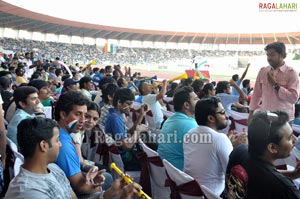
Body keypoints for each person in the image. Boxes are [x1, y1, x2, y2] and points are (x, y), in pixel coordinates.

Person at [183, 97, 246, 196]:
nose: (226, 116)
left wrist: (229, 144)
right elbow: (234, 175)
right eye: (222, 112)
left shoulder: (189, 134)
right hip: (213, 194)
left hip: (192, 192)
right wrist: (241, 149)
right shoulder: (220, 139)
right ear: (211, 118)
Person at [4, 118, 77, 198]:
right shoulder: (29, 191)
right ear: (43, 145)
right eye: (57, 140)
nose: (60, 144)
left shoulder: (53, 168)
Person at [244, 111, 300, 198]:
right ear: (272, 148)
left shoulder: (239, 152)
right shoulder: (286, 189)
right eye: (289, 138)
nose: (295, 140)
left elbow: (263, 173)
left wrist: (293, 174)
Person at [249, 41, 300, 122]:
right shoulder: (263, 71)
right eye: (267, 55)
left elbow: (293, 98)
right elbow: (256, 94)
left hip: (283, 120)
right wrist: (251, 113)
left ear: (282, 55)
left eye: (272, 55)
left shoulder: (291, 73)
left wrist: (275, 85)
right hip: (265, 117)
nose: (269, 58)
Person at [157, 86, 199, 170]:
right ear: (186, 105)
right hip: (180, 175)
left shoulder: (169, 120)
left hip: (166, 170)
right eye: (196, 99)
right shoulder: (191, 125)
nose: (199, 101)